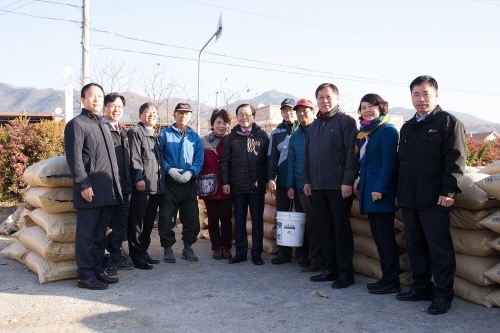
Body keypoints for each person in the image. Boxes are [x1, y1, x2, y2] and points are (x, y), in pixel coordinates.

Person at [396, 75, 466, 315]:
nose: (421, 99)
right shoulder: (408, 127)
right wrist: (399, 192)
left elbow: (456, 161)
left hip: (435, 199)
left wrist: (448, 190)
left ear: (436, 95)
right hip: (410, 198)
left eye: (426, 94)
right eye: (416, 94)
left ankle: (443, 295)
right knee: (415, 247)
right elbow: (402, 163)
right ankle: (421, 287)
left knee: (439, 249)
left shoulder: (448, 123)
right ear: (411, 97)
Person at [64, 83, 121, 290]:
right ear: (83, 100)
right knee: (86, 235)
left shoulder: (104, 125)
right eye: (92, 96)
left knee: (99, 234)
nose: (96, 99)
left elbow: (110, 161)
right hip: (90, 189)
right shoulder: (76, 124)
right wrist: (83, 184)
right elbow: (75, 158)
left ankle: (97, 270)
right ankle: (85, 275)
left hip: (107, 190)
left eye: (99, 96)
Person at [303, 83, 359, 289]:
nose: (324, 101)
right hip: (317, 186)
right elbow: (308, 156)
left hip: (338, 187)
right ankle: (330, 269)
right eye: (320, 97)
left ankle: (346, 273)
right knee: (324, 229)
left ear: (337, 98)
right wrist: (307, 180)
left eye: (328, 97)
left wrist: (347, 181)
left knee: (340, 230)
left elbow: (353, 155)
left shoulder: (346, 122)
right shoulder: (315, 125)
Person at [355, 94, 400, 294]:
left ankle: (392, 280)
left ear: (381, 108)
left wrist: (380, 188)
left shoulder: (387, 130)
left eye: (372, 106)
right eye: (364, 107)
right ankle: (386, 277)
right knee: (378, 238)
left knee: (385, 237)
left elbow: (389, 163)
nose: (367, 110)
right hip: (368, 192)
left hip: (380, 193)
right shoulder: (366, 132)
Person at [220, 104, 269, 265]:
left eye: (247, 114)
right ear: (236, 117)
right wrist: (226, 182)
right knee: (239, 221)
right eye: (240, 114)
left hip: (257, 186)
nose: (244, 117)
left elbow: (269, 161)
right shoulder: (231, 138)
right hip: (238, 186)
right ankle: (240, 253)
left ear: (253, 116)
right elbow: (225, 162)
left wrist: (269, 179)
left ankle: (256, 254)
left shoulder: (263, 136)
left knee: (257, 221)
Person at [158, 103, 203, 263]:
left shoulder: (195, 137)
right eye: (180, 113)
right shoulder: (164, 134)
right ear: (174, 115)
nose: (183, 116)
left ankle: (188, 248)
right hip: (170, 183)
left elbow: (199, 160)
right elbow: (159, 156)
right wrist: (168, 169)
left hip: (188, 184)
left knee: (191, 217)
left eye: (186, 113)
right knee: (166, 217)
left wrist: (191, 172)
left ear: (190, 116)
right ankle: (168, 249)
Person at [267, 98, 309, 267]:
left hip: (301, 182)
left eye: (291, 109)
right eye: (285, 110)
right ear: (281, 113)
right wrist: (271, 177)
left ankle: (302, 254)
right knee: (283, 217)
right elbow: (272, 157)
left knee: (302, 216)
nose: (288, 113)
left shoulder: (306, 130)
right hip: (283, 181)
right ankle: (283, 252)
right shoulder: (276, 133)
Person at [286, 99, 324, 272]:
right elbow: (291, 163)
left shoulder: (320, 130)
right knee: (309, 225)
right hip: (302, 188)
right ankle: (315, 260)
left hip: (321, 185)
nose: (301, 114)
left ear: (312, 110)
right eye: (298, 111)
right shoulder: (294, 137)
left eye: (305, 110)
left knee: (321, 223)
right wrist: (291, 185)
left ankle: (326, 261)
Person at [127, 102, 166, 270]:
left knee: (149, 223)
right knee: (137, 223)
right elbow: (134, 157)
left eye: (154, 112)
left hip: (155, 186)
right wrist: (138, 178)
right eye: (148, 112)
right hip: (142, 186)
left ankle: (143, 252)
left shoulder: (155, 135)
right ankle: (136, 256)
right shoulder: (136, 132)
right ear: (140, 115)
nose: (152, 115)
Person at [101, 93, 134, 276]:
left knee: (120, 225)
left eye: (120, 107)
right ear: (105, 107)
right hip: (108, 187)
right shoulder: (101, 128)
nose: (116, 110)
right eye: (112, 106)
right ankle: (104, 259)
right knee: (105, 225)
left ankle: (115, 255)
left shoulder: (122, 131)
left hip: (124, 187)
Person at [199, 109, 233, 260]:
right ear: (212, 124)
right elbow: (199, 162)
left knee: (226, 219)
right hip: (209, 187)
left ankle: (226, 246)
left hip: (227, 186)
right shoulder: (203, 141)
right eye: (218, 122)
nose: (221, 126)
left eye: (225, 123)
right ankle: (216, 247)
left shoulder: (231, 141)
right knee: (213, 219)